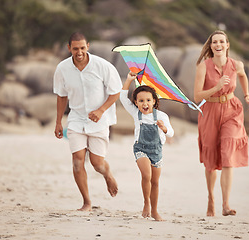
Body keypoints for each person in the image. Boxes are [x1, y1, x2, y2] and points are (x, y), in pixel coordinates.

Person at [53, 32, 122, 211]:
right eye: (75, 48)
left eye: (82, 48)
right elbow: (61, 96)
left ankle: (107, 174)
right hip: (76, 118)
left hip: (99, 120)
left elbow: (115, 92)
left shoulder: (103, 66)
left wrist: (100, 110)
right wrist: (58, 122)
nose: (79, 52)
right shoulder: (62, 68)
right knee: (77, 161)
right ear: (69, 48)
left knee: (97, 163)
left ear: (88, 46)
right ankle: (86, 202)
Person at [194, 30, 249, 217]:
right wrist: (216, 86)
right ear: (211, 46)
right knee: (211, 161)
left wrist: (247, 96)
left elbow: (243, 76)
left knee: (228, 155)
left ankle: (226, 205)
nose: (218, 44)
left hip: (232, 110)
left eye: (222, 41)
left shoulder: (237, 64)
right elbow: (197, 96)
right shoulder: (203, 67)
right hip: (210, 111)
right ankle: (211, 199)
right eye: (214, 42)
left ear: (227, 45)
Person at [120, 72, 174, 221]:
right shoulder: (136, 113)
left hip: (157, 151)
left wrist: (164, 128)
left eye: (148, 100)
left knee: (155, 182)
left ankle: (155, 211)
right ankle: (146, 204)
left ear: (154, 101)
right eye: (141, 100)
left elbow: (171, 133)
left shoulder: (162, 116)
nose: (145, 104)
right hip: (141, 149)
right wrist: (129, 79)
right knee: (146, 175)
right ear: (136, 103)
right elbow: (122, 98)